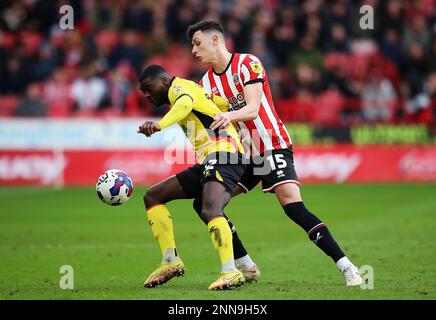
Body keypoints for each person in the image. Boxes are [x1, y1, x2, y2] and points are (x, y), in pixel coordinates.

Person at [186, 20, 363, 286]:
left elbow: (253, 108)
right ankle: (246, 265)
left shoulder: (247, 64)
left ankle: (347, 266)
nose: (193, 51)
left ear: (215, 40)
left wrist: (228, 116)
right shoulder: (206, 84)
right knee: (206, 204)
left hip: (271, 144)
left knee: (292, 206)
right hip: (243, 155)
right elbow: (218, 127)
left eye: (197, 43)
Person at [137, 64, 248, 290]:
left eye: (149, 88)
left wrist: (160, 125)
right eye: (143, 92)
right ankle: (170, 261)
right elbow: (221, 103)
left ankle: (231, 272)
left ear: (165, 80)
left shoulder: (178, 88)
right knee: (153, 196)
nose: (147, 95)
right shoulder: (190, 87)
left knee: (210, 209)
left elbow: (186, 103)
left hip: (224, 153)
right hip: (211, 157)